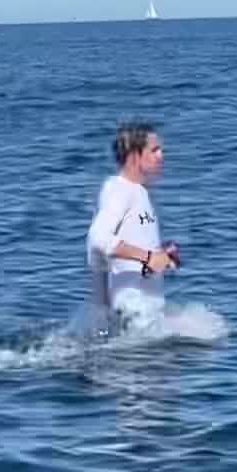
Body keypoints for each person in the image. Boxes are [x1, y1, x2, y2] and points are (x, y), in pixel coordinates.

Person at [86, 121, 179, 327]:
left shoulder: (136, 192)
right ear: (135, 156)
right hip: (134, 314)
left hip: (141, 314)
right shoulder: (119, 191)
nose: (161, 156)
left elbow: (98, 258)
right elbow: (98, 240)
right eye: (154, 150)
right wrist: (149, 257)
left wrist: (161, 255)